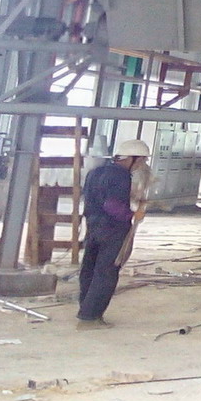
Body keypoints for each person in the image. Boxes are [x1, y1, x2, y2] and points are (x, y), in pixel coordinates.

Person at [77, 139, 149, 330]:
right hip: (113, 229)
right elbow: (112, 205)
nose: (142, 165)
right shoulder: (121, 176)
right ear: (132, 158)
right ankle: (90, 318)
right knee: (106, 273)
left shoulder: (95, 172)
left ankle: (86, 309)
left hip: (93, 226)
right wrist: (133, 214)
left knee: (89, 270)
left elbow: (96, 199)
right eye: (141, 160)